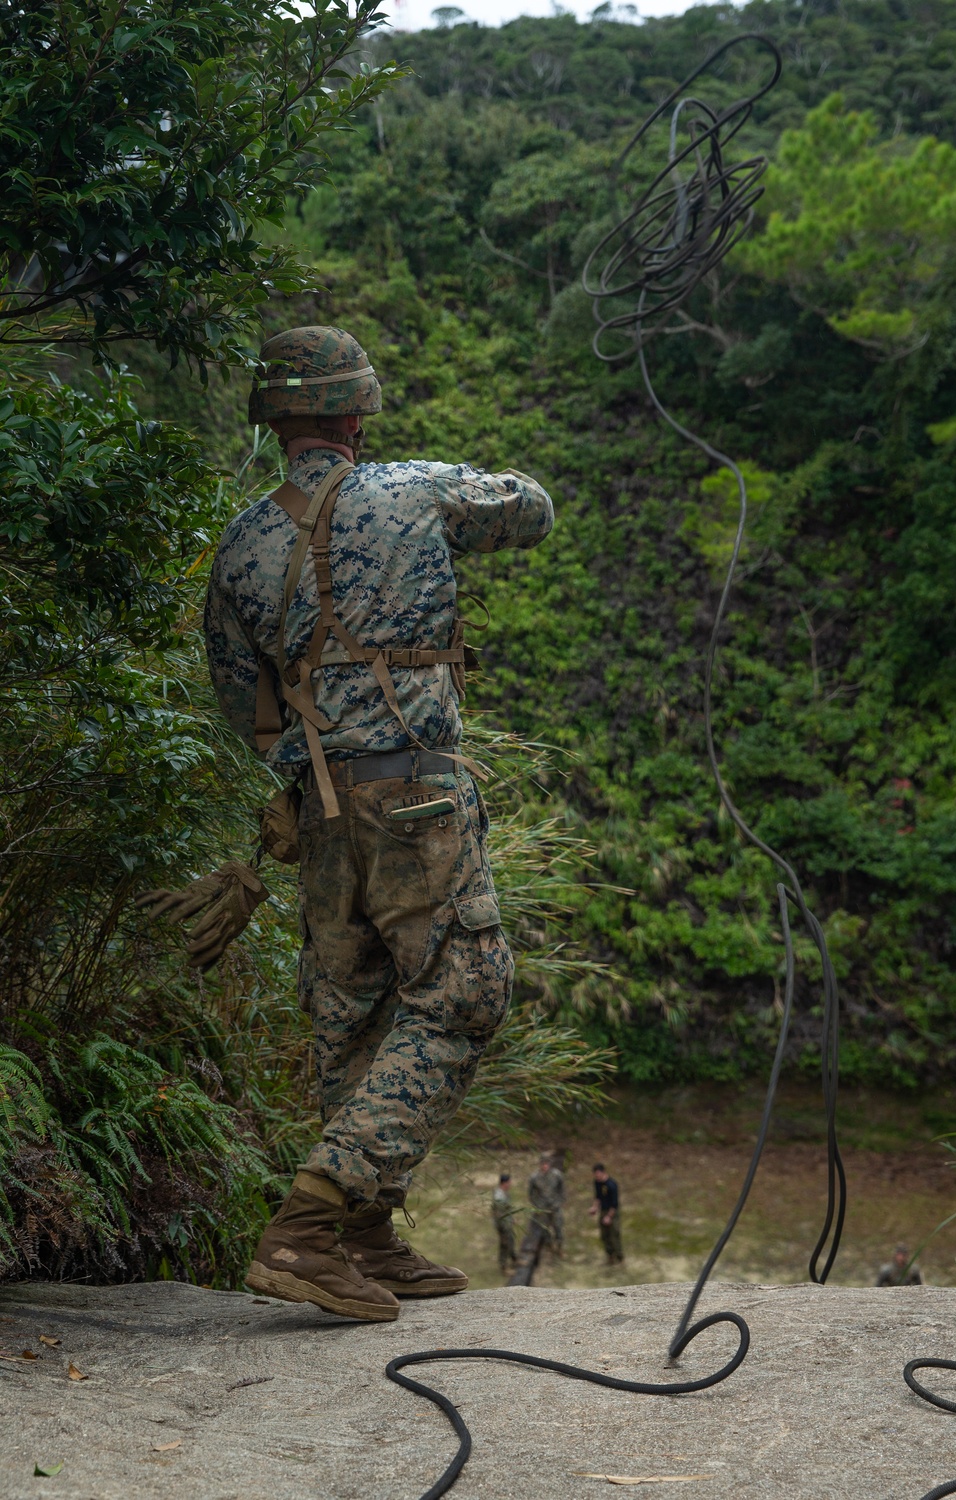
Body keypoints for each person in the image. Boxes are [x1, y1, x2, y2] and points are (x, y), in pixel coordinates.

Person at [202, 325, 554, 1322]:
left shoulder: (240, 540)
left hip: (317, 808)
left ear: (273, 424)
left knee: (347, 1012)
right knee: (467, 992)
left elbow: (242, 693)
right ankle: (308, 1227)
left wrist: (290, 773)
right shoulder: (411, 490)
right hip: (415, 798)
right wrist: (452, 483)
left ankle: (362, 1236)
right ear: (359, 411)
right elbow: (532, 508)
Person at [527, 1152, 565, 1255]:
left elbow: (562, 1190)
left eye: (547, 1163)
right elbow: (531, 1194)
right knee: (545, 1229)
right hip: (542, 1208)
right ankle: (549, 1246)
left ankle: (559, 1247)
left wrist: (559, 1202)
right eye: (543, 1163)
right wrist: (536, 1205)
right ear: (540, 1164)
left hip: (555, 1207)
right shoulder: (534, 1177)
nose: (545, 1166)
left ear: (550, 1164)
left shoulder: (557, 1175)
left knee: (558, 1227)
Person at [590, 1163, 623, 1264]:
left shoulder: (612, 1185)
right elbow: (598, 1197)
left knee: (614, 1234)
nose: (597, 1177)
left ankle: (619, 1257)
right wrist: (594, 1208)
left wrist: (609, 1217)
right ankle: (610, 1256)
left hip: (612, 1211)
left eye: (598, 1174)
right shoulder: (597, 1182)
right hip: (603, 1210)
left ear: (603, 1172)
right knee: (604, 1235)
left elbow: (615, 1204)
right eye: (595, 1175)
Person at [492, 1172, 518, 1272]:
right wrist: (505, 1225)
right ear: (504, 1183)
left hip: (507, 1223)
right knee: (505, 1244)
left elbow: (507, 1209)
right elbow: (499, 1214)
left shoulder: (504, 1192)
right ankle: (504, 1267)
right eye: (509, 1182)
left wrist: (512, 1218)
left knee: (511, 1241)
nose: (510, 1184)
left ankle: (514, 1259)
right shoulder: (499, 1196)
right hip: (503, 1225)